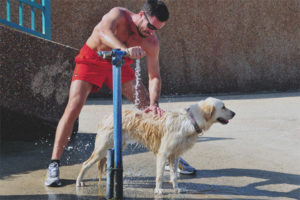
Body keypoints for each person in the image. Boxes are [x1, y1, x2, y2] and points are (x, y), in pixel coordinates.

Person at [45, 0, 194, 187]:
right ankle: (54, 164)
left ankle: (170, 156)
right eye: (150, 26)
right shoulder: (118, 15)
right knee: (73, 108)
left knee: (150, 111)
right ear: (141, 15)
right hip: (92, 58)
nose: (152, 32)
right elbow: (102, 32)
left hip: (120, 65)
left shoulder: (151, 41)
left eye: (157, 29)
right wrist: (124, 50)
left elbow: (154, 76)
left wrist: (154, 103)